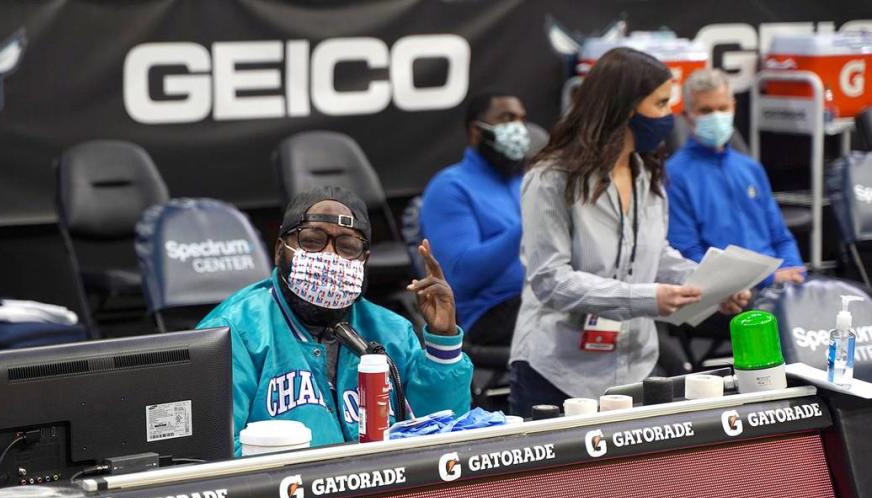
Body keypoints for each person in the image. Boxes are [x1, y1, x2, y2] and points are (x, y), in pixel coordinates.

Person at [509, 48, 750, 414]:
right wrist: (646, 298)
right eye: (660, 104)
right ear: (623, 109)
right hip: (556, 372)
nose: (670, 116)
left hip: (635, 368)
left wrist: (708, 286)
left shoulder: (646, 171)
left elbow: (654, 253)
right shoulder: (551, 178)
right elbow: (550, 280)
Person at [198, 185, 472, 455]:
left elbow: (439, 435)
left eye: (347, 246)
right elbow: (213, 453)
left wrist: (443, 344)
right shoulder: (233, 331)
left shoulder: (391, 331)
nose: (330, 256)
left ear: (364, 260)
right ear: (280, 250)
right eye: (312, 241)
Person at [667, 68, 806, 286]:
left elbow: (781, 238)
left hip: (778, 287)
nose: (716, 116)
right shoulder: (674, 175)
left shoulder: (750, 168)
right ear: (687, 117)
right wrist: (766, 280)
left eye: (722, 108)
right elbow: (688, 256)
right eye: (705, 110)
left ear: (733, 107)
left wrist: (794, 273)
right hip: (723, 296)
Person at [420, 90, 529, 345]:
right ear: (476, 131)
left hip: (541, 299)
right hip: (490, 313)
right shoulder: (449, 187)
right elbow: (460, 277)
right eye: (506, 118)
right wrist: (530, 225)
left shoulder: (525, 180)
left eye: (521, 119)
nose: (518, 128)